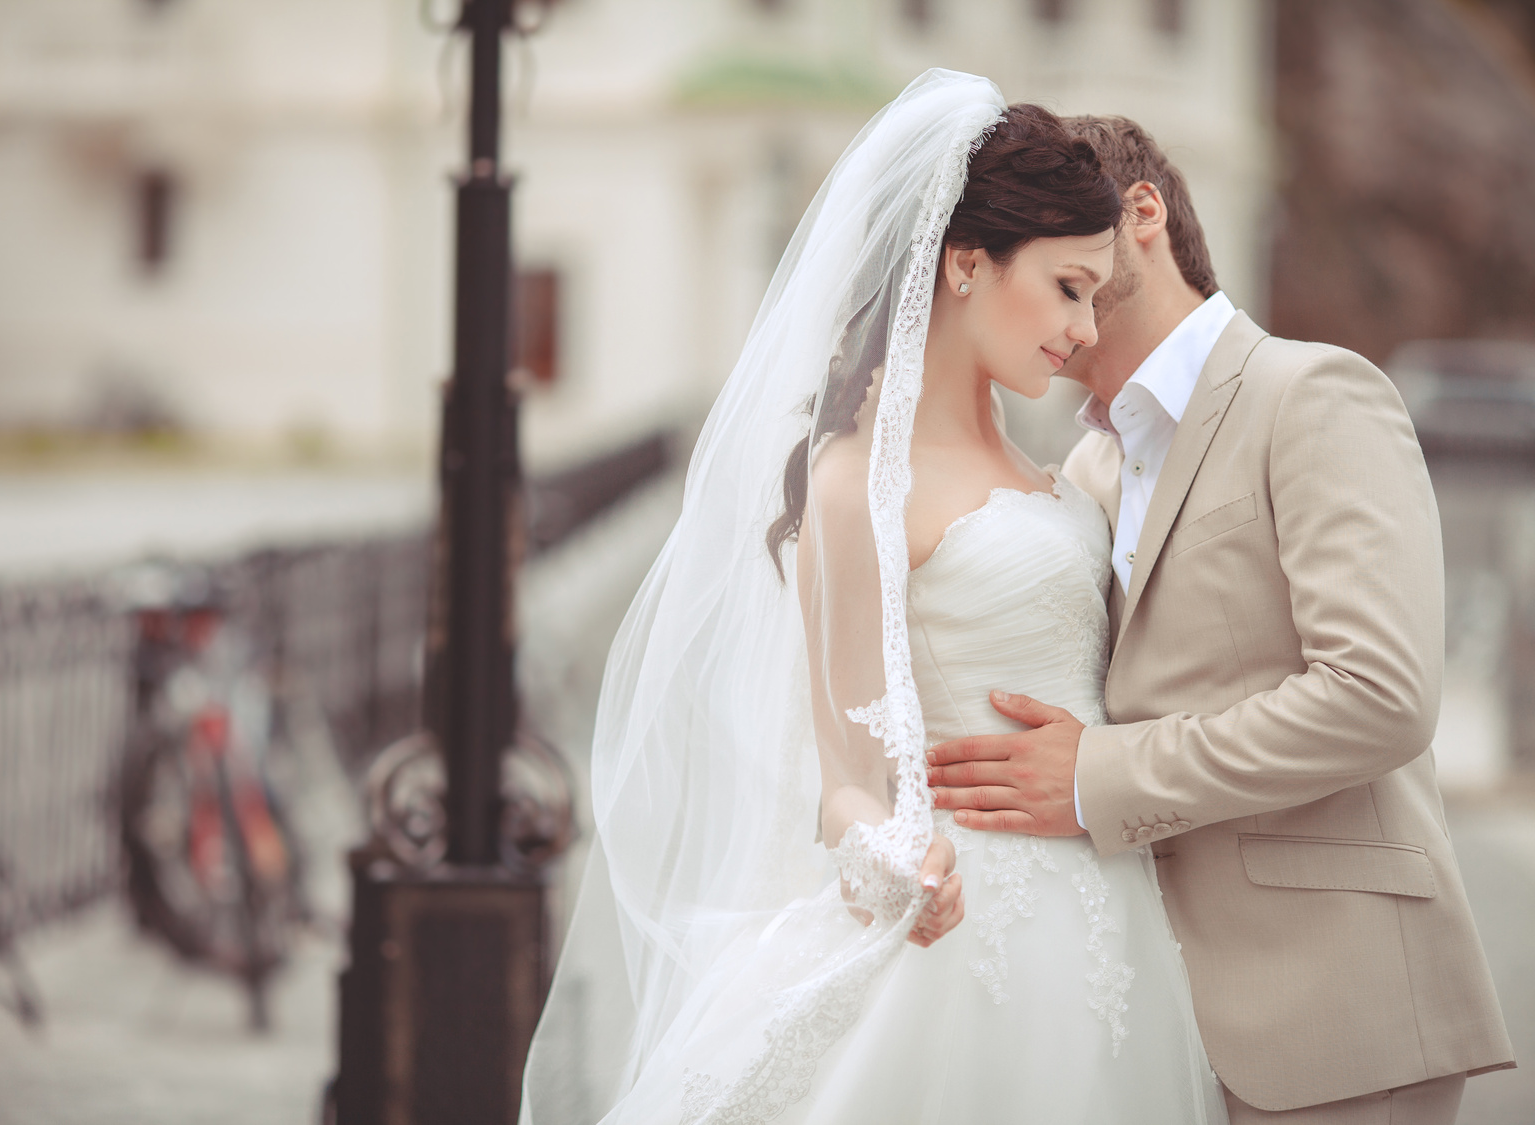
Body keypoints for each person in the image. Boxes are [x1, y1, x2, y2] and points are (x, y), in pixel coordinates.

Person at [522, 72, 1226, 1125]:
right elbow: (846, 778)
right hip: (964, 922)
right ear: (964, 264)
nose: (1083, 329)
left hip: (1106, 912)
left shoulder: (1059, 466)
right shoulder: (854, 487)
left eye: (1092, 295)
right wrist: (896, 861)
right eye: (1068, 287)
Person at [926, 115, 1516, 1124]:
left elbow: (1376, 697)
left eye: (1074, 254)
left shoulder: (1312, 394)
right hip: (1126, 1015)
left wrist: (1095, 777)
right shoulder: (1081, 471)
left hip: (1332, 1014)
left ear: (1139, 214)